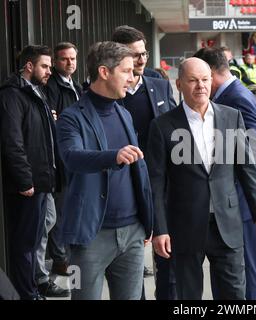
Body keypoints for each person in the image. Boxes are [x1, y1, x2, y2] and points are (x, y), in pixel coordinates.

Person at [148, 57, 256, 300]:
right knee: (188, 295)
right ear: (179, 84)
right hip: (185, 226)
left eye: (205, 79)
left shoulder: (231, 116)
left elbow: (246, 168)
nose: (200, 86)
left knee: (234, 294)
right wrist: (160, 229)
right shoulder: (162, 125)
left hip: (227, 222)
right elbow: (156, 183)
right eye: (193, 80)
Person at [56, 41, 153, 300]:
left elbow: (138, 172)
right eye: (127, 71)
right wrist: (114, 156)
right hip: (89, 237)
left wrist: (147, 220)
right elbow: (72, 157)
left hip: (132, 232)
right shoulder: (71, 117)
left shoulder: (124, 114)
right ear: (104, 72)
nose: (132, 79)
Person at [193, 47, 256, 300]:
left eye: (200, 78)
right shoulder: (231, 95)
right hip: (229, 203)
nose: (198, 86)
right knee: (229, 276)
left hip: (240, 203)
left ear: (211, 73)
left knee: (244, 274)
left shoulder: (237, 98)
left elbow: (255, 151)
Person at [112, 25, 177, 300]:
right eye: (135, 55)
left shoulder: (159, 85)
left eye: (144, 53)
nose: (141, 60)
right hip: (124, 186)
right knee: (130, 264)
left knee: (167, 256)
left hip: (160, 184)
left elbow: (176, 130)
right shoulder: (106, 93)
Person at [0, 45, 64, 299]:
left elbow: (40, 136)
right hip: (28, 185)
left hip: (42, 181)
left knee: (38, 235)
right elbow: (12, 142)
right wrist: (25, 180)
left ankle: (33, 287)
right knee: (24, 244)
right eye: (45, 66)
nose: (50, 70)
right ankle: (27, 294)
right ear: (29, 66)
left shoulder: (37, 93)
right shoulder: (12, 95)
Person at [44, 42, 82, 278]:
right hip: (60, 158)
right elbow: (52, 123)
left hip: (76, 157)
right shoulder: (52, 87)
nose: (69, 63)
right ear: (56, 62)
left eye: (72, 59)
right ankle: (60, 259)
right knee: (59, 211)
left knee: (71, 209)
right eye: (64, 59)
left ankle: (68, 254)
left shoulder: (76, 86)